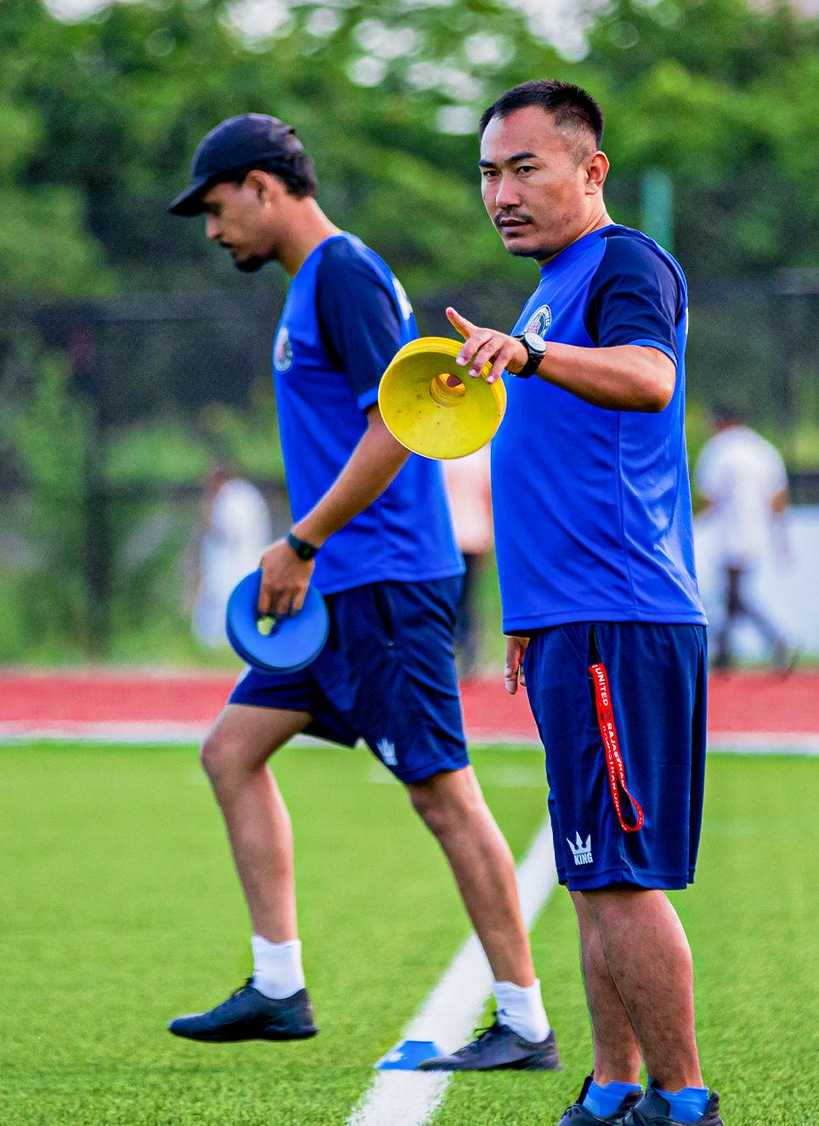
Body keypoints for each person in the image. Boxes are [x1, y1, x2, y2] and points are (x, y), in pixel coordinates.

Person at [165, 114, 557, 1068]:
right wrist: (309, 555)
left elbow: (408, 414)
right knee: (231, 752)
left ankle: (523, 1022)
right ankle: (277, 986)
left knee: (442, 796)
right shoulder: (312, 286)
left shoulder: (342, 273)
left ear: (263, 187)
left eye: (218, 210)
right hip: (337, 582)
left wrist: (300, 540)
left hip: (383, 580)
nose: (214, 232)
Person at [443, 80, 731, 1126]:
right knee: (587, 865)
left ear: (590, 171)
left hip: (622, 613)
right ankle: (614, 1092)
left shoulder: (623, 267)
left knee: (619, 872)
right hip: (570, 617)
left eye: (524, 168)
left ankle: (684, 1107)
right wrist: (525, 612)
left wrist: (529, 358)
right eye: (488, 172)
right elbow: (556, 468)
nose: (501, 193)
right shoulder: (550, 288)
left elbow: (651, 382)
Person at [695, 409, 795, 671]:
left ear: (721, 423)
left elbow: (710, 499)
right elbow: (778, 500)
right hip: (756, 534)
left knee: (735, 595)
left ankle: (777, 642)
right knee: (732, 594)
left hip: (728, 534)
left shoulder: (719, 449)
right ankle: (725, 653)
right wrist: (782, 541)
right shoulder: (764, 450)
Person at [190, 465, 272, 649]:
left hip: (236, 561)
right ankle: (216, 647)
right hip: (236, 559)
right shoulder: (243, 494)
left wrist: (208, 512)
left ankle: (225, 645)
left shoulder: (234, 496)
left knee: (227, 602)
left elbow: (225, 530)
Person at [441, 446, 494, 678]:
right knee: (467, 600)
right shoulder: (481, 456)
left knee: (449, 600)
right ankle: (470, 655)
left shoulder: (440, 456)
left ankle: (455, 653)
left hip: (446, 538)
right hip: (472, 535)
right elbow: (489, 497)